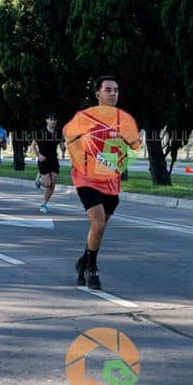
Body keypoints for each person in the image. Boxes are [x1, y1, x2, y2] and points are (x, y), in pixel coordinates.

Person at [63, 76, 141, 290]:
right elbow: (67, 133)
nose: (113, 93)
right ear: (98, 94)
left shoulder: (123, 120)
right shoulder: (85, 117)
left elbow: (134, 144)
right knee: (97, 223)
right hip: (86, 178)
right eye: (108, 90)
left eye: (116, 90)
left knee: (99, 228)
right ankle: (92, 268)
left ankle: (83, 261)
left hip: (110, 180)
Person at [30, 113, 64, 213]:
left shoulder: (58, 133)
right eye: (51, 119)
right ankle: (39, 178)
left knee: (52, 185)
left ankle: (44, 204)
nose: (53, 121)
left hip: (54, 160)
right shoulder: (41, 132)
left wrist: (63, 147)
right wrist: (38, 155)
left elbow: (62, 145)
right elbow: (33, 146)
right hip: (43, 160)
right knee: (47, 184)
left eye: (54, 119)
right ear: (47, 120)